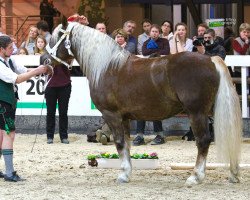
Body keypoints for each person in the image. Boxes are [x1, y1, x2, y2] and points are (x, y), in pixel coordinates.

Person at [0, 35, 48, 182]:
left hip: (7, 101)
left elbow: (23, 70)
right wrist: (36, 71)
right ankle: (9, 172)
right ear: (1, 49)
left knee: (2, 135)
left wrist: (40, 70)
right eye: (10, 48)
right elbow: (16, 79)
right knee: (9, 134)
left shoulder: (10, 60)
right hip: (2, 102)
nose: (13, 49)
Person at [133, 24, 170, 146]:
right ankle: (139, 135)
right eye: (153, 31)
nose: (154, 33)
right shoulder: (145, 43)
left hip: (160, 75)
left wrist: (154, 52)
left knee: (156, 104)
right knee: (141, 105)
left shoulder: (164, 41)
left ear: (159, 32)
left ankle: (159, 134)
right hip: (146, 74)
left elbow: (166, 52)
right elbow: (145, 52)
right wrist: (156, 52)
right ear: (149, 33)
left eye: (156, 31)